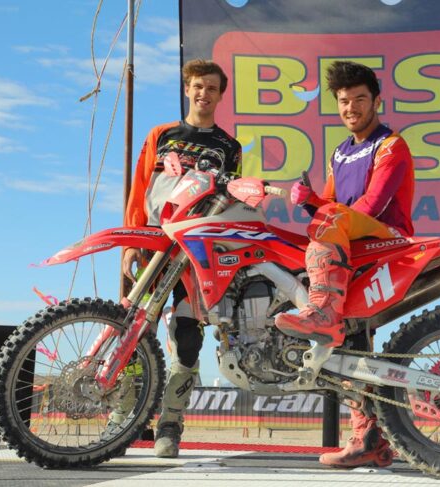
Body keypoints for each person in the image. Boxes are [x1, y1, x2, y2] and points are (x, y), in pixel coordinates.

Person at [275, 61, 415, 468]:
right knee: (349, 342)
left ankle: (322, 310)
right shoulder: (340, 151)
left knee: (329, 223)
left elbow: (371, 206)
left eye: (359, 99)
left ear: (376, 101)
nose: (351, 107)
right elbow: (333, 205)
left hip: (385, 240)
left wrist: (323, 208)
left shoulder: (392, 146)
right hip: (352, 242)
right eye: (343, 101)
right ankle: (367, 439)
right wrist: (310, 199)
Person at [122, 59, 242, 458]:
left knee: (188, 338)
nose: (203, 94)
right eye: (196, 86)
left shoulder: (229, 147)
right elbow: (141, 189)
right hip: (156, 245)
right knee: (134, 332)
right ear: (186, 90)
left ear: (221, 95)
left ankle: (169, 424)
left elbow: (229, 204)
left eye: (211, 88)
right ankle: (123, 418)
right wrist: (130, 242)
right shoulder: (162, 134)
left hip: (198, 253)